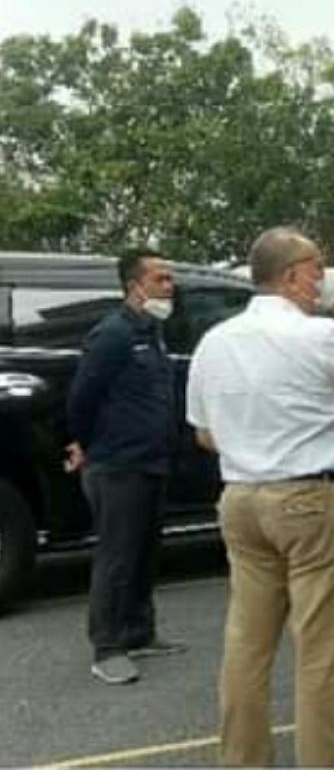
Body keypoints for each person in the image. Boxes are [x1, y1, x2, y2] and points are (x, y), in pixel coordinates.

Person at [187, 227, 334, 766]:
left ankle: (243, 762)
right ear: (292, 276)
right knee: (323, 654)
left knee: (246, 647)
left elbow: (204, 433)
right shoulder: (317, 335)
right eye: (318, 268)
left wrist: (254, 434)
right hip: (312, 500)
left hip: (242, 500)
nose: (324, 279)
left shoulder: (215, 340)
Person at [66, 248, 187, 686]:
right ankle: (107, 646)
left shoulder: (151, 331)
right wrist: (83, 442)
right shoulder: (113, 334)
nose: (169, 286)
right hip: (117, 464)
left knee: (144, 552)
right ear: (134, 286)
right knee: (117, 557)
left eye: (169, 278)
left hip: (151, 462)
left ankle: (139, 631)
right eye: (161, 279)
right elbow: (82, 397)